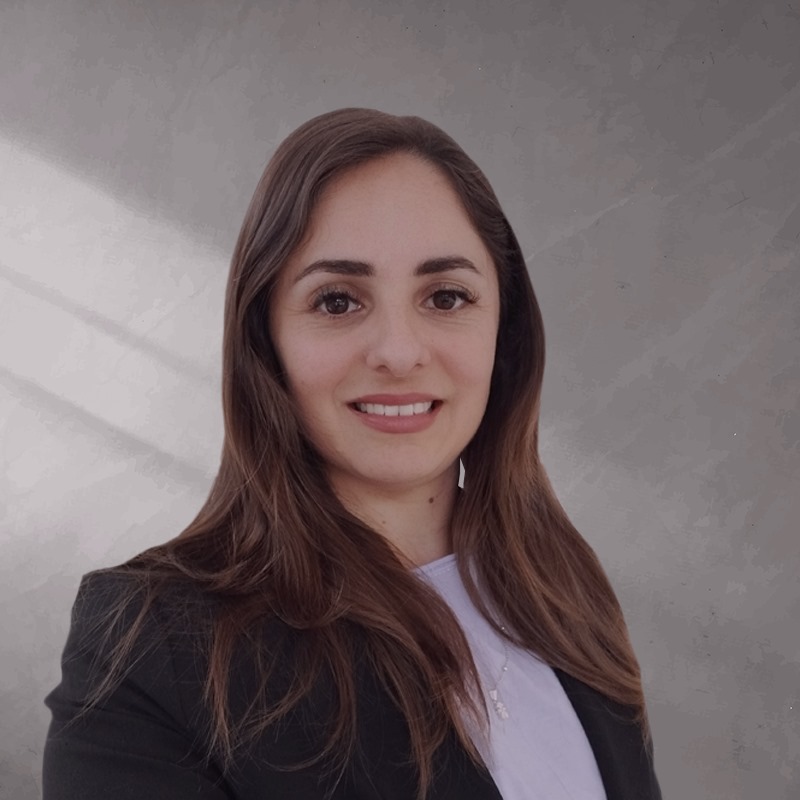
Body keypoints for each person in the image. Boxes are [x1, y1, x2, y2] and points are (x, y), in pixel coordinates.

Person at [42, 108, 662, 800]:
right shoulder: (154, 646)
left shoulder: (561, 584)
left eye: (446, 297)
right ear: (265, 339)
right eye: (337, 302)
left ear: (504, 330)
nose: (398, 351)